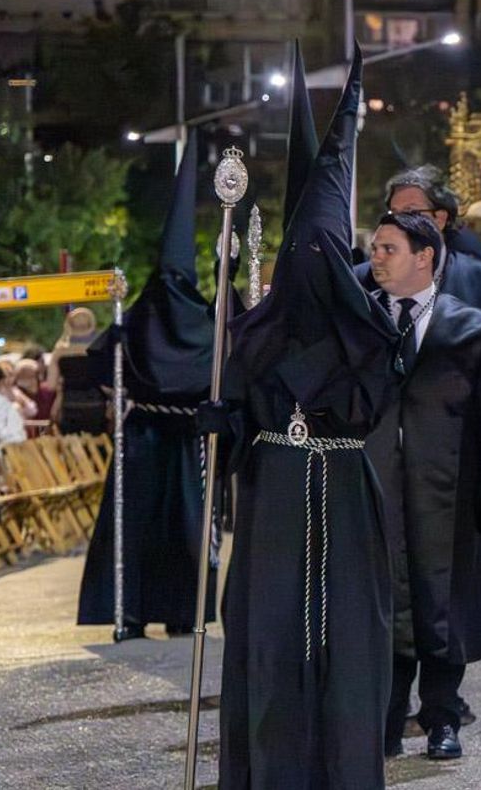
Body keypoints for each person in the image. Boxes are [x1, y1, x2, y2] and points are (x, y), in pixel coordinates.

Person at [202, 49, 404, 788]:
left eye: (331, 255)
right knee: (270, 635)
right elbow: (236, 421)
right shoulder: (252, 334)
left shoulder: (373, 334)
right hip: (274, 502)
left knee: (348, 640)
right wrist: (221, 422)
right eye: (305, 254)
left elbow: (370, 403)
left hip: (344, 495)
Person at [362, 212, 481, 760]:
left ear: (425, 256)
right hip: (376, 492)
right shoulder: (360, 324)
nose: (375, 257)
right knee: (385, 603)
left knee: (443, 606)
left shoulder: (471, 328)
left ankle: (442, 719)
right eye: (375, 248)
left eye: (387, 249)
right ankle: (382, 719)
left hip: (450, 495)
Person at [373, 165, 481, 613]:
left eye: (411, 211)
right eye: (392, 212)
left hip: (462, 464)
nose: (397, 220)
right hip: (385, 464)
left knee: (456, 591)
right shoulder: (365, 282)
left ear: (441, 219)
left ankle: (446, 680)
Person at [76, 142, 219, 641]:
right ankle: (183, 612)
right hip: (183, 440)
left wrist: (121, 391)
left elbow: (95, 361)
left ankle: (131, 614)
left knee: (135, 524)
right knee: (182, 523)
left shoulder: (139, 317)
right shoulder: (204, 322)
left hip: (142, 437)